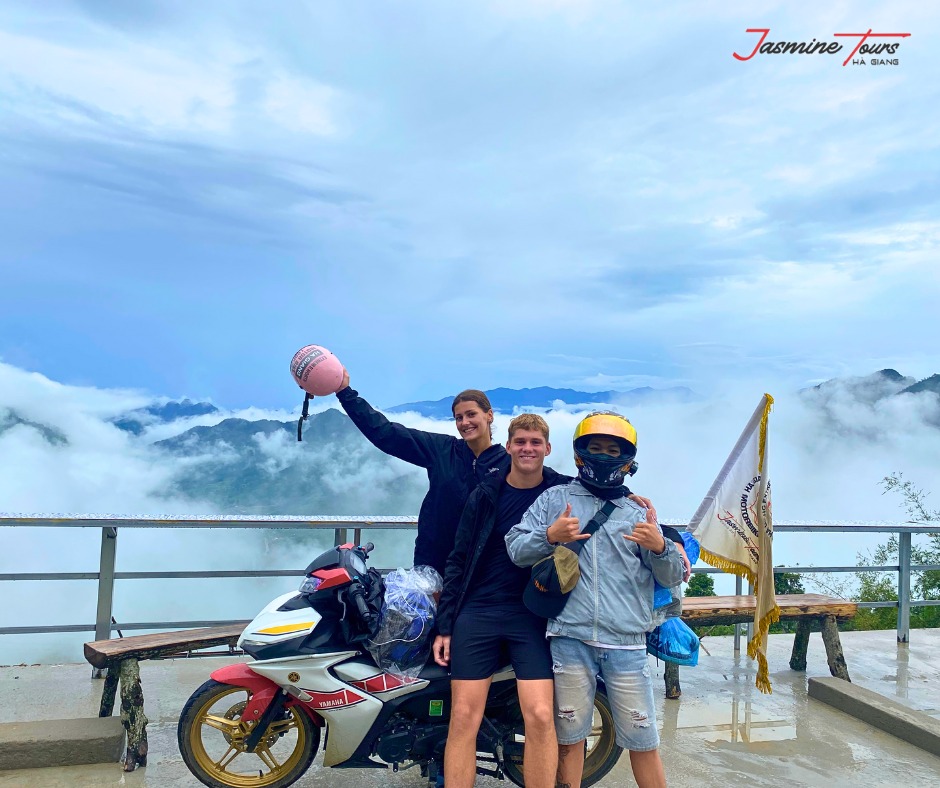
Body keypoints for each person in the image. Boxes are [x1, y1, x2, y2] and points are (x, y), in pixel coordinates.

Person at [506, 412, 684, 788]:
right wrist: (549, 536)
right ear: (580, 454)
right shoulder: (556, 499)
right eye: (596, 447)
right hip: (570, 638)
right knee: (571, 741)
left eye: (613, 449)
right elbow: (516, 548)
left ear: (628, 459)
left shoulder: (638, 511)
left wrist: (661, 547)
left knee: (643, 740)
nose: (604, 456)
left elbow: (671, 578)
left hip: (626, 643)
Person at [433, 414, 564, 788]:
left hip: (532, 615)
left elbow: (607, 502)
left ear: (547, 449)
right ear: (507, 447)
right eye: (520, 442)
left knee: (540, 715)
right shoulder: (486, 494)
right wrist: (445, 625)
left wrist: (661, 530)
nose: (527, 449)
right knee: (462, 716)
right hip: (479, 612)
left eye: (535, 443)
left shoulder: (561, 491)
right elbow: (458, 560)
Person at [333, 370, 509, 577]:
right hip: (433, 565)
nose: (464, 422)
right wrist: (345, 393)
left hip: (482, 570)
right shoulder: (442, 450)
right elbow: (387, 434)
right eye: (458, 417)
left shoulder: (507, 463)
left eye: (471, 414)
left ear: (489, 415)